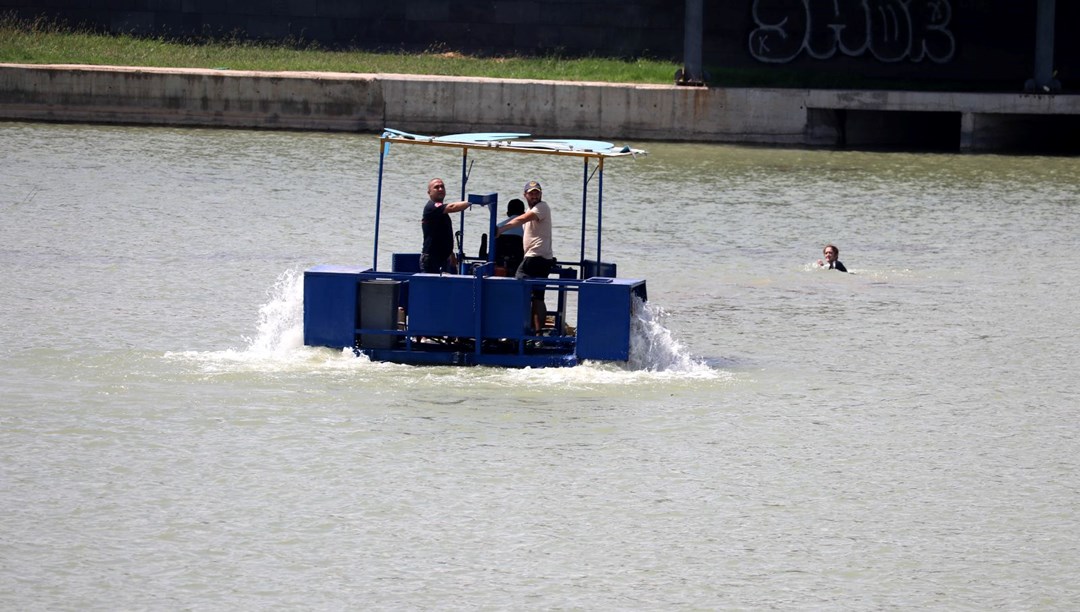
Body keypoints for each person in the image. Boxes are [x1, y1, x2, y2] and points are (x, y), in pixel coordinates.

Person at [497, 180, 555, 333]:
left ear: (541, 194)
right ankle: (536, 334)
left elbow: (521, 219)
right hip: (543, 258)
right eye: (531, 193)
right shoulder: (533, 210)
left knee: (516, 287)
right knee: (537, 296)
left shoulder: (541, 207)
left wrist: (501, 229)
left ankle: (515, 330)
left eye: (537, 192)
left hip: (535, 257)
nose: (534, 195)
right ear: (525, 195)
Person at [420, 178, 471, 274]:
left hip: (443, 258)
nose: (440, 189)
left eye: (442, 186)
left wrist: (451, 254)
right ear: (429, 192)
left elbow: (442, 234)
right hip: (431, 259)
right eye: (436, 187)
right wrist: (470, 201)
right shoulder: (432, 207)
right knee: (433, 288)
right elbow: (452, 207)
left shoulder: (442, 211)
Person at [494, 198, 526, 273]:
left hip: (499, 262)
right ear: (524, 214)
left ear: (508, 213)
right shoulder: (527, 228)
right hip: (520, 263)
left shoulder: (499, 226)